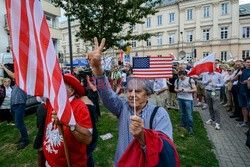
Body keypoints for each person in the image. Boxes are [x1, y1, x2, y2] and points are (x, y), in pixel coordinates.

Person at [87, 37, 179, 166]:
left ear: (147, 94)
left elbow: (165, 146)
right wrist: (97, 69)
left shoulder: (159, 114)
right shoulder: (123, 107)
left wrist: (142, 135)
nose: (132, 95)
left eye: (138, 91)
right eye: (129, 91)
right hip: (123, 163)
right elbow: (107, 95)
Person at [42, 74, 93, 167]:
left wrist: (67, 121)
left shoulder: (80, 107)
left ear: (71, 90)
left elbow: (87, 139)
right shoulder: (52, 101)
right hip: (50, 162)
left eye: (60, 85)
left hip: (70, 164)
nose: (55, 87)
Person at [0, 64, 29, 150]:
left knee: (19, 123)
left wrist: (4, 68)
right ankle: (23, 136)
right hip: (14, 105)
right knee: (19, 123)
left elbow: (12, 74)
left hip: (19, 104)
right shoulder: (17, 82)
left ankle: (25, 140)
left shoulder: (23, 80)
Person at [202, 66, 224, 130]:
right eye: (210, 67)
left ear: (215, 68)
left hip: (215, 91)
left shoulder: (218, 75)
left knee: (215, 108)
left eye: (212, 67)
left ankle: (217, 122)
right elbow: (203, 82)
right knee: (210, 106)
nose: (211, 69)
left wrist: (216, 85)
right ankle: (212, 118)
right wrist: (208, 81)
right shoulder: (205, 74)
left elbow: (222, 83)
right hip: (208, 91)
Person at [233, 57, 250, 127]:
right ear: (244, 63)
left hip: (248, 91)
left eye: (249, 62)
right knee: (243, 106)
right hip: (240, 90)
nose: (249, 63)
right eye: (247, 62)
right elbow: (233, 79)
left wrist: (248, 81)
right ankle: (245, 121)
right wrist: (238, 74)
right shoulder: (242, 70)